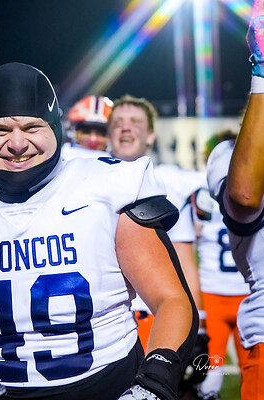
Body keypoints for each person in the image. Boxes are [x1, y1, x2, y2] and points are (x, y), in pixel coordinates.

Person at [0, 61, 198, 400]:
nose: (17, 143)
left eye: (31, 127)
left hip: (111, 384)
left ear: (54, 128)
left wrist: (154, 381)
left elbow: (171, 300)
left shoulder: (110, 184)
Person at [107, 95, 209, 391]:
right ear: (109, 132)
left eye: (135, 122)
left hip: (156, 318)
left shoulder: (167, 185)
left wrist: (200, 325)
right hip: (104, 324)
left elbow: (184, 260)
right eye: (118, 122)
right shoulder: (86, 184)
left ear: (151, 134)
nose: (126, 128)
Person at [206, 1, 264, 397]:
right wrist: (261, 72)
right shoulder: (224, 158)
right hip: (222, 298)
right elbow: (244, 196)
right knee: (207, 375)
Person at [194, 131, 250, 400]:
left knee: (210, 371)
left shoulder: (201, 193)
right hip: (240, 293)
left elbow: (192, 233)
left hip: (216, 293)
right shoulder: (251, 189)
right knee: (249, 369)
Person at [61, 95, 113, 160]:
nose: (93, 139)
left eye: (102, 133)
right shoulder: (61, 156)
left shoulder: (120, 162)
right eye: (86, 131)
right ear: (73, 131)